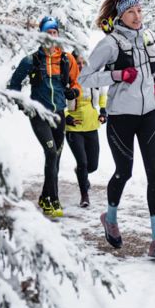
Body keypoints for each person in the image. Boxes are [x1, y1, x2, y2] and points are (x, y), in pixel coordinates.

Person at [81, 0, 155, 258]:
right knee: (124, 171)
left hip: (150, 115)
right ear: (121, 15)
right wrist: (118, 74)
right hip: (121, 117)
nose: (137, 16)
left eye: (139, 10)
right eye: (131, 12)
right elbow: (85, 78)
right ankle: (110, 218)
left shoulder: (148, 37)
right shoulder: (110, 44)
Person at [7, 16, 78, 218]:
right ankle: (53, 200)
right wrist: (24, 105)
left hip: (59, 115)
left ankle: (44, 196)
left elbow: (77, 83)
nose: (51, 36)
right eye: (48, 33)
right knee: (51, 154)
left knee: (56, 158)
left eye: (54, 33)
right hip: (39, 115)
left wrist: (74, 92)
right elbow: (13, 86)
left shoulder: (66, 59)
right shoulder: (31, 60)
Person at [63, 49, 107, 208]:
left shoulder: (94, 78)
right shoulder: (66, 79)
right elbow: (58, 100)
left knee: (92, 165)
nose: (81, 66)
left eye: (83, 63)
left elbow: (103, 94)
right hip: (73, 127)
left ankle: (81, 174)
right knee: (82, 162)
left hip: (91, 125)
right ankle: (84, 195)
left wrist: (103, 110)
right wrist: (65, 115)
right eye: (78, 63)